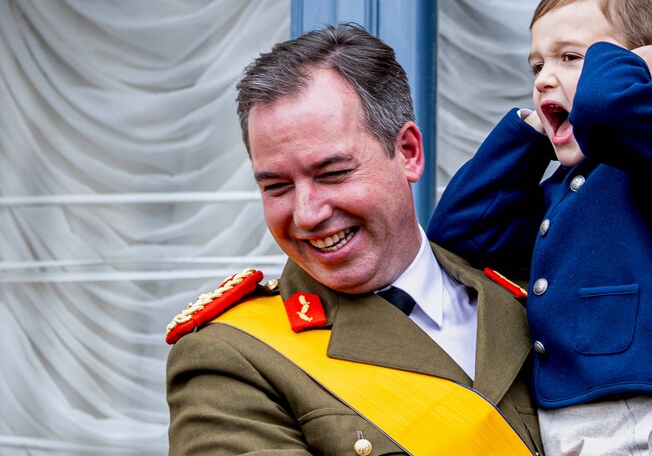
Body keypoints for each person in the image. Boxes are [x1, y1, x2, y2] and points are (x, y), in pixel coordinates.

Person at [165, 24, 543, 455]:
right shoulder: (232, 356)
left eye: (332, 174)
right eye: (276, 187)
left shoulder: (523, 301)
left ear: (407, 152)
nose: (308, 214)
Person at [428, 0, 652, 454]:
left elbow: (606, 111)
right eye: (536, 66)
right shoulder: (564, 190)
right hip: (558, 420)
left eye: (572, 57)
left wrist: (636, 73)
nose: (543, 79)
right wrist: (531, 132)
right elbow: (459, 230)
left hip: (647, 419)